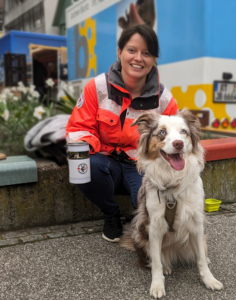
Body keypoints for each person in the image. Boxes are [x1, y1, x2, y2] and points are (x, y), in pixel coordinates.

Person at [66, 24, 178, 243]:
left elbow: (174, 140)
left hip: (142, 167)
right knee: (82, 162)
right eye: (132, 50)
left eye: (146, 53)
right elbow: (78, 128)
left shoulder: (164, 100)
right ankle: (111, 215)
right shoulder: (97, 87)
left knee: (146, 212)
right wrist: (87, 153)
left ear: (154, 58)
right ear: (119, 52)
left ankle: (140, 219)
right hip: (104, 162)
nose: (138, 58)